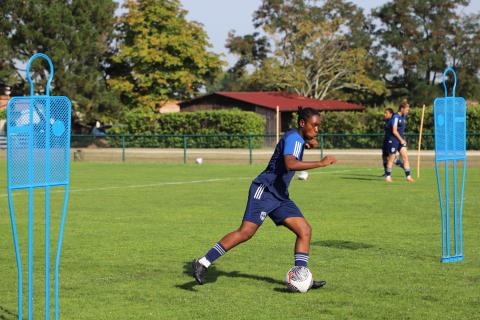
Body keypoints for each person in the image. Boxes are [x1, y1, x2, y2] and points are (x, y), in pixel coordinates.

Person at [192, 107, 337, 289]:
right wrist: (321, 163)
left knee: (304, 230)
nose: (317, 130)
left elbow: (291, 147)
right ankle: (203, 262)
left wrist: (307, 142)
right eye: (314, 125)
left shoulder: (296, 137)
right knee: (246, 232)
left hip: (279, 195)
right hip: (265, 190)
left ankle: (301, 276)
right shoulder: (294, 138)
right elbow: (290, 163)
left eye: (318, 126)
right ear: (302, 123)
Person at [385, 100, 414, 183]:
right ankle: (388, 177)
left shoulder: (403, 117)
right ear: (402, 109)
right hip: (393, 140)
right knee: (391, 158)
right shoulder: (395, 117)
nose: (407, 111)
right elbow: (394, 131)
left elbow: (401, 130)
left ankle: (408, 177)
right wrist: (401, 140)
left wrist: (402, 139)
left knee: (405, 157)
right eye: (407, 109)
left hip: (401, 141)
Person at [381, 108, 403, 177]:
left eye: (386, 113)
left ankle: (404, 167)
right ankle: (386, 173)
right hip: (386, 141)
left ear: (390, 114)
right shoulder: (387, 121)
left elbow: (395, 131)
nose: (384, 114)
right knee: (384, 157)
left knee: (393, 159)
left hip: (391, 142)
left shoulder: (393, 120)